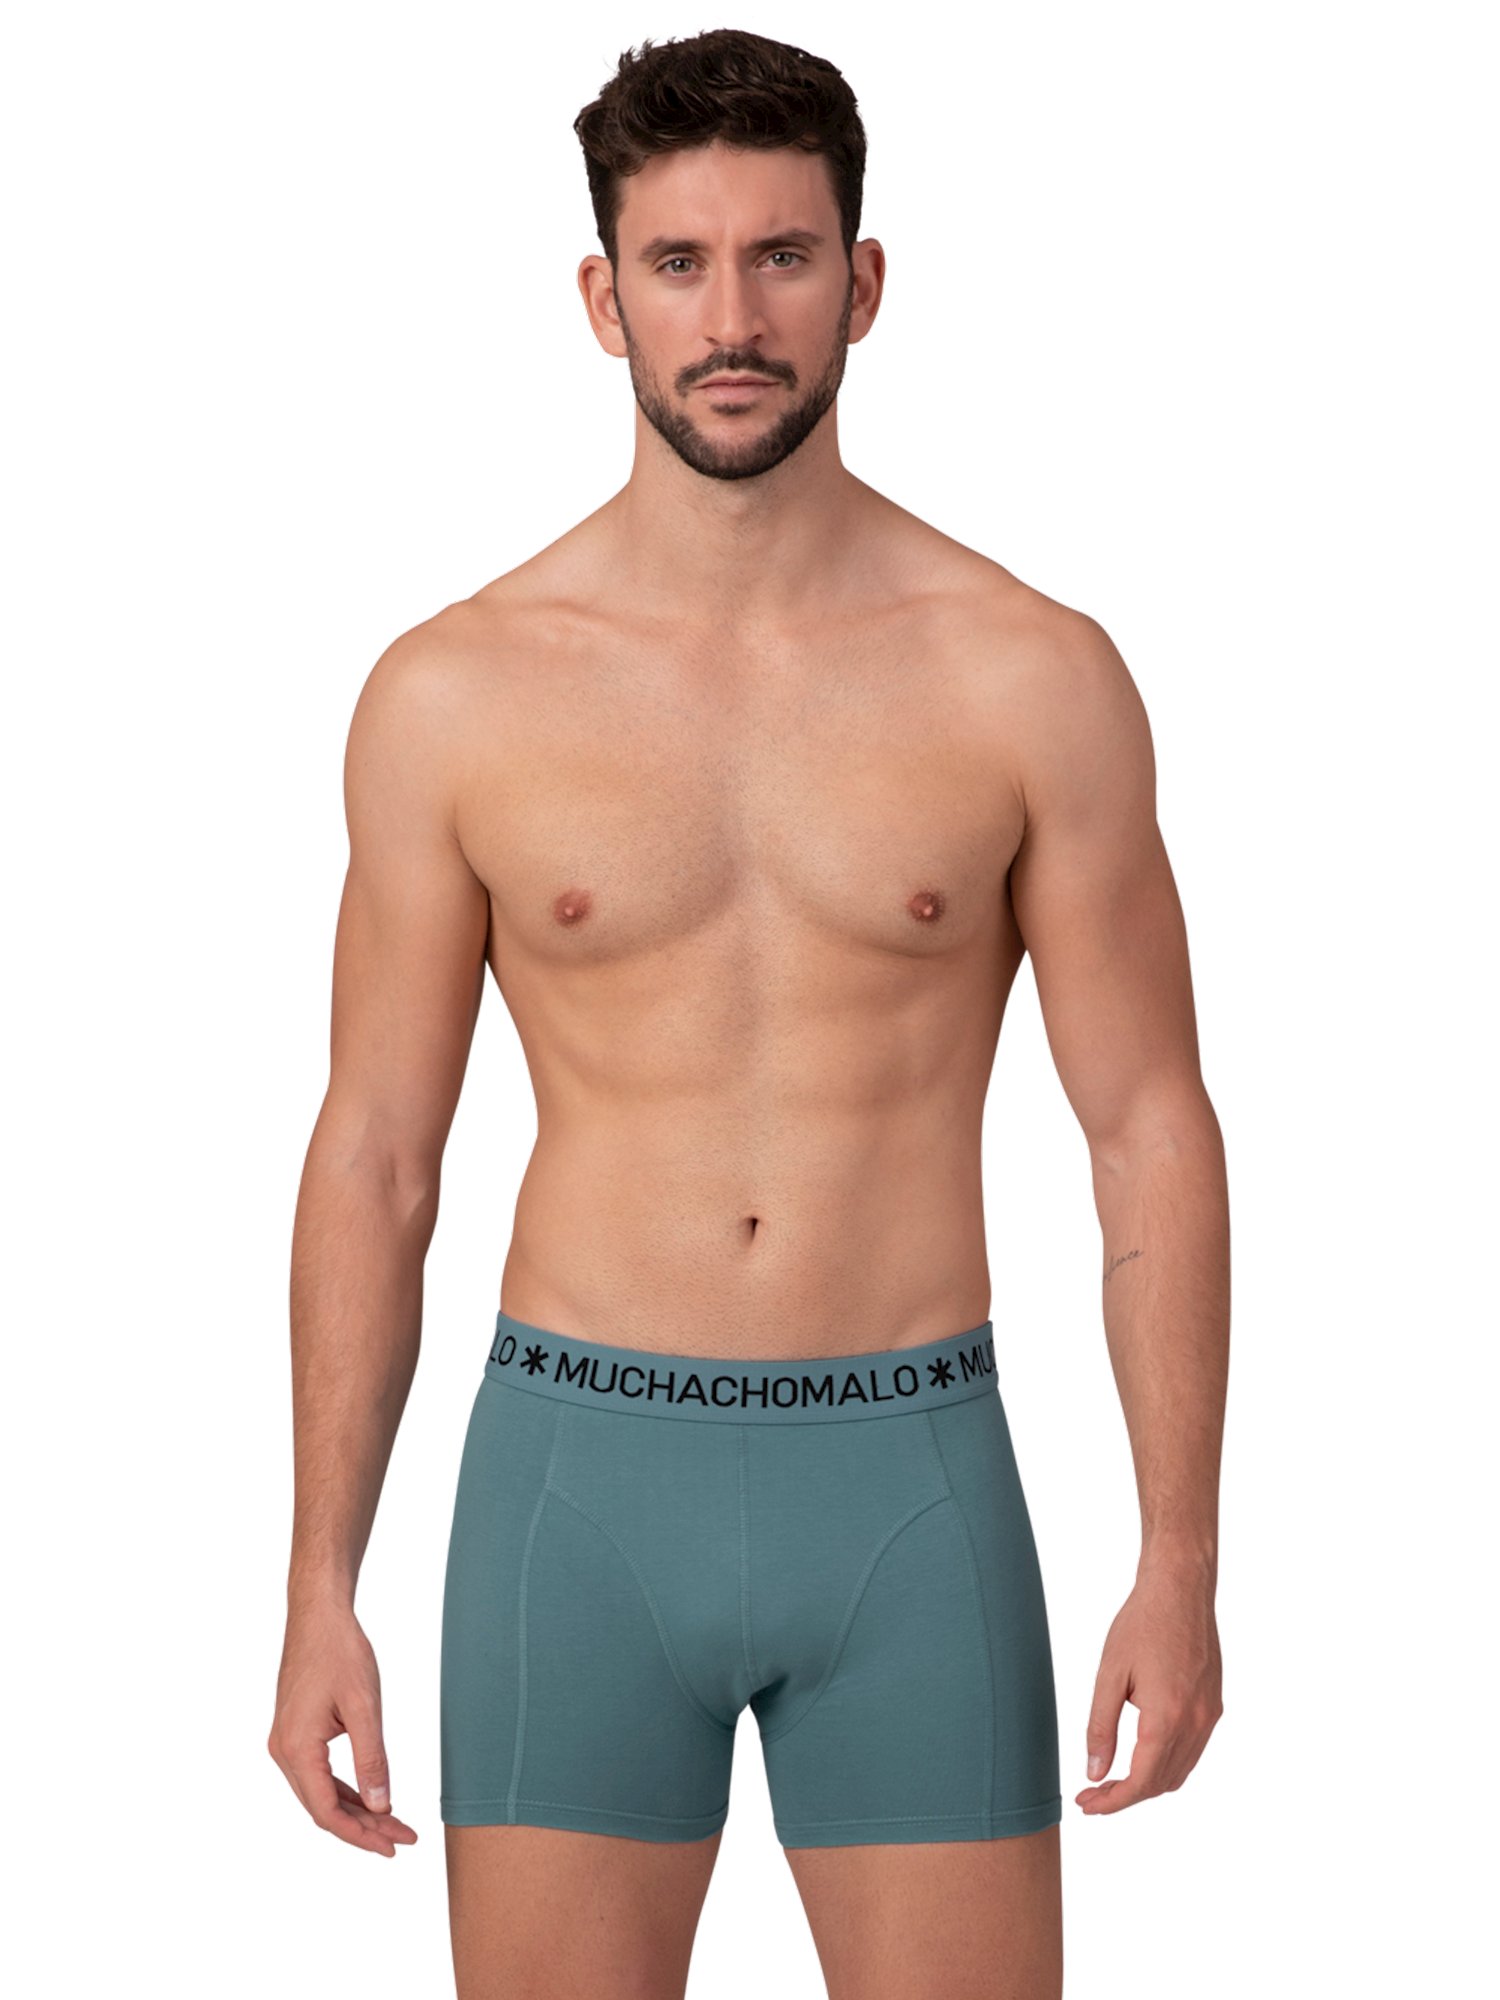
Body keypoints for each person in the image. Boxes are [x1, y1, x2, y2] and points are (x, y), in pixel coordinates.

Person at [267, 27, 1229, 2000]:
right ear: (601, 297)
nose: (732, 320)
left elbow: (1147, 1127)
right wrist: (313, 1583)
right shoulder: (452, 691)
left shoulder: (1033, 676)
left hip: (913, 1476)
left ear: (862, 285)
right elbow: (375, 1153)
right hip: (571, 1484)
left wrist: (1185, 1560)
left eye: (782, 257)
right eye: (682, 263)